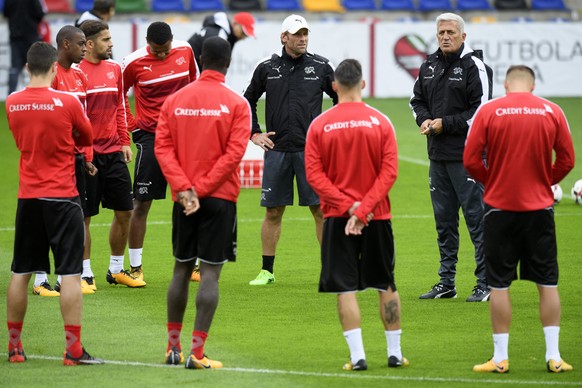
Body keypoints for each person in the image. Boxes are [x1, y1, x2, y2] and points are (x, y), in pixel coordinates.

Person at [465, 65, 575, 373]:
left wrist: (492, 179)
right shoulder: (552, 111)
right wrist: (544, 181)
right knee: (547, 283)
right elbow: (567, 159)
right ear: (533, 85)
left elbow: (471, 160)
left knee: (499, 285)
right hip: (539, 209)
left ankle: (500, 358)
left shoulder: (489, 111)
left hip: (499, 209)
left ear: (505, 84)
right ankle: (553, 356)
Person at [305, 58, 407, 371]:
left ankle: (358, 356)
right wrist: (364, 209)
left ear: (334, 87)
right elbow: (389, 172)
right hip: (377, 216)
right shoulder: (381, 121)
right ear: (362, 84)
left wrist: (349, 208)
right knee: (385, 284)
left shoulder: (320, 124)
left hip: (338, 218)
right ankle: (394, 353)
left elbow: (314, 174)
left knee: (344, 287)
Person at [5, 41, 103, 365]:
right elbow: (87, 137)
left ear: (26, 68)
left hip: (28, 196)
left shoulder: (13, 102)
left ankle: (15, 348)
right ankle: (73, 350)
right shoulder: (67, 102)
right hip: (62, 195)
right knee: (71, 274)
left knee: (20, 272)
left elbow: (20, 140)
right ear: (52, 68)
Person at [155, 36, 250, 369]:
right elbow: (234, 155)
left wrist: (185, 190)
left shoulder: (175, 100)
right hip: (219, 199)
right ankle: (196, 353)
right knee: (209, 274)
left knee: (181, 269)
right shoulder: (237, 104)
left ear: (199, 59)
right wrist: (202, 189)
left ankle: (171, 348)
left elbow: (162, 149)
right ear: (227, 63)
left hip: (183, 200)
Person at [243, 14, 337, 286]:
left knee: (319, 210)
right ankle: (267, 271)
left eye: (305, 34)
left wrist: (330, 133)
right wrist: (254, 132)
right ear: (284, 37)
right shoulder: (266, 67)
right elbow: (248, 100)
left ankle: (330, 271)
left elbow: (340, 98)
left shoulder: (321, 66)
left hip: (311, 152)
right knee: (273, 212)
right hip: (277, 150)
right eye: (297, 35)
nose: (303, 39)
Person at [410, 12, 493, 302]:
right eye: (441, 32)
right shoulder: (428, 65)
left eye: (450, 32)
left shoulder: (475, 66)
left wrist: (446, 123)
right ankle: (446, 282)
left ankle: (486, 282)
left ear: (463, 36)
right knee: (444, 222)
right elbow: (416, 100)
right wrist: (423, 119)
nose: (445, 37)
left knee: (477, 219)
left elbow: (481, 111)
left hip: (469, 156)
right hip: (438, 156)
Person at [122, 22, 199, 283]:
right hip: (151, 137)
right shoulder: (132, 62)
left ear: (172, 41)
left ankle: (194, 264)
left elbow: (194, 86)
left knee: (190, 196)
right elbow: (119, 95)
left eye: (166, 50)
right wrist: (132, 126)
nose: (163, 55)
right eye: (157, 51)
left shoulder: (186, 51)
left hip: (184, 135)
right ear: (147, 42)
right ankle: (135, 267)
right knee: (142, 203)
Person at [31, 25, 98, 296]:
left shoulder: (80, 76)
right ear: (65, 44)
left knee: (75, 217)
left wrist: (87, 156)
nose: (85, 48)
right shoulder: (52, 76)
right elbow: (48, 120)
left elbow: (83, 121)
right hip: (54, 159)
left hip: (75, 158)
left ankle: (66, 276)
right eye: (81, 44)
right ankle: (39, 279)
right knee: (48, 217)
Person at [78, 20, 143, 288]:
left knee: (125, 210)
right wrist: (83, 153)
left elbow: (119, 106)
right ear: (90, 44)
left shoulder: (115, 69)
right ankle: (84, 273)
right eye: (106, 39)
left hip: (114, 151)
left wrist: (124, 140)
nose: (112, 43)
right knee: (84, 216)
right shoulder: (74, 73)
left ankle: (116, 269)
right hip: (86, 156)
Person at [3, 0, 46, 94]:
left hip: (15, 36)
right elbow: (40, 13)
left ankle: (10, 95)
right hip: (31, 36)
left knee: (15, 67)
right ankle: (39, 92)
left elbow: (5, 13)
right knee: (36, 66)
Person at [187, 11, 256, 69]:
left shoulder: (223, 33)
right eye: (243, 33)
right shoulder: (220, 36)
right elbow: (212, 68)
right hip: (188, 68)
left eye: (246, 36)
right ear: (235, 24)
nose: (243, 38)